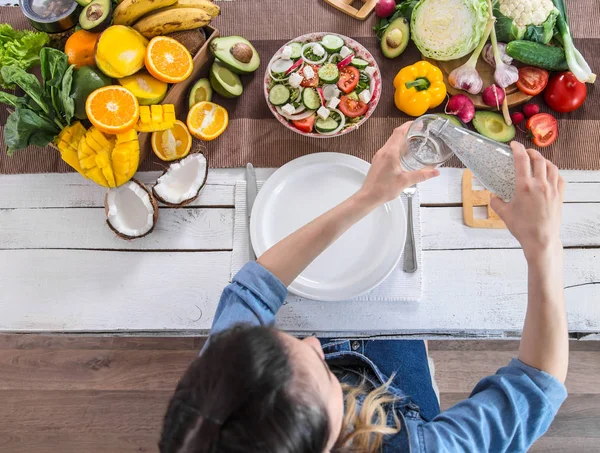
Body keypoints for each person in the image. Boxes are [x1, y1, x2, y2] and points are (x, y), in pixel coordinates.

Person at [159, 122, 568, 453]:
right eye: (320, 368)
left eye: (285, 340)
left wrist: (368, 198)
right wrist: (544, 245)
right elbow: (536, 387)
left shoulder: (215, 405)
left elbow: (251, 291)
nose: (315, 340)